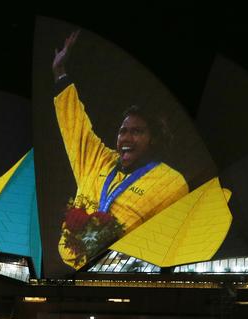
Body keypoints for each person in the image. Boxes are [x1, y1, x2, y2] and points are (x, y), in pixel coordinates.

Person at [52, 31, 189, 269]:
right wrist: (60, 74)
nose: (126, 137)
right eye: (123, 131)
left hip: (126, 278)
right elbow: (75, 126)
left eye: (137, 132)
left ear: (153, 139)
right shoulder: (99, 161)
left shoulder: (172, 183)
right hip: (73, 275)